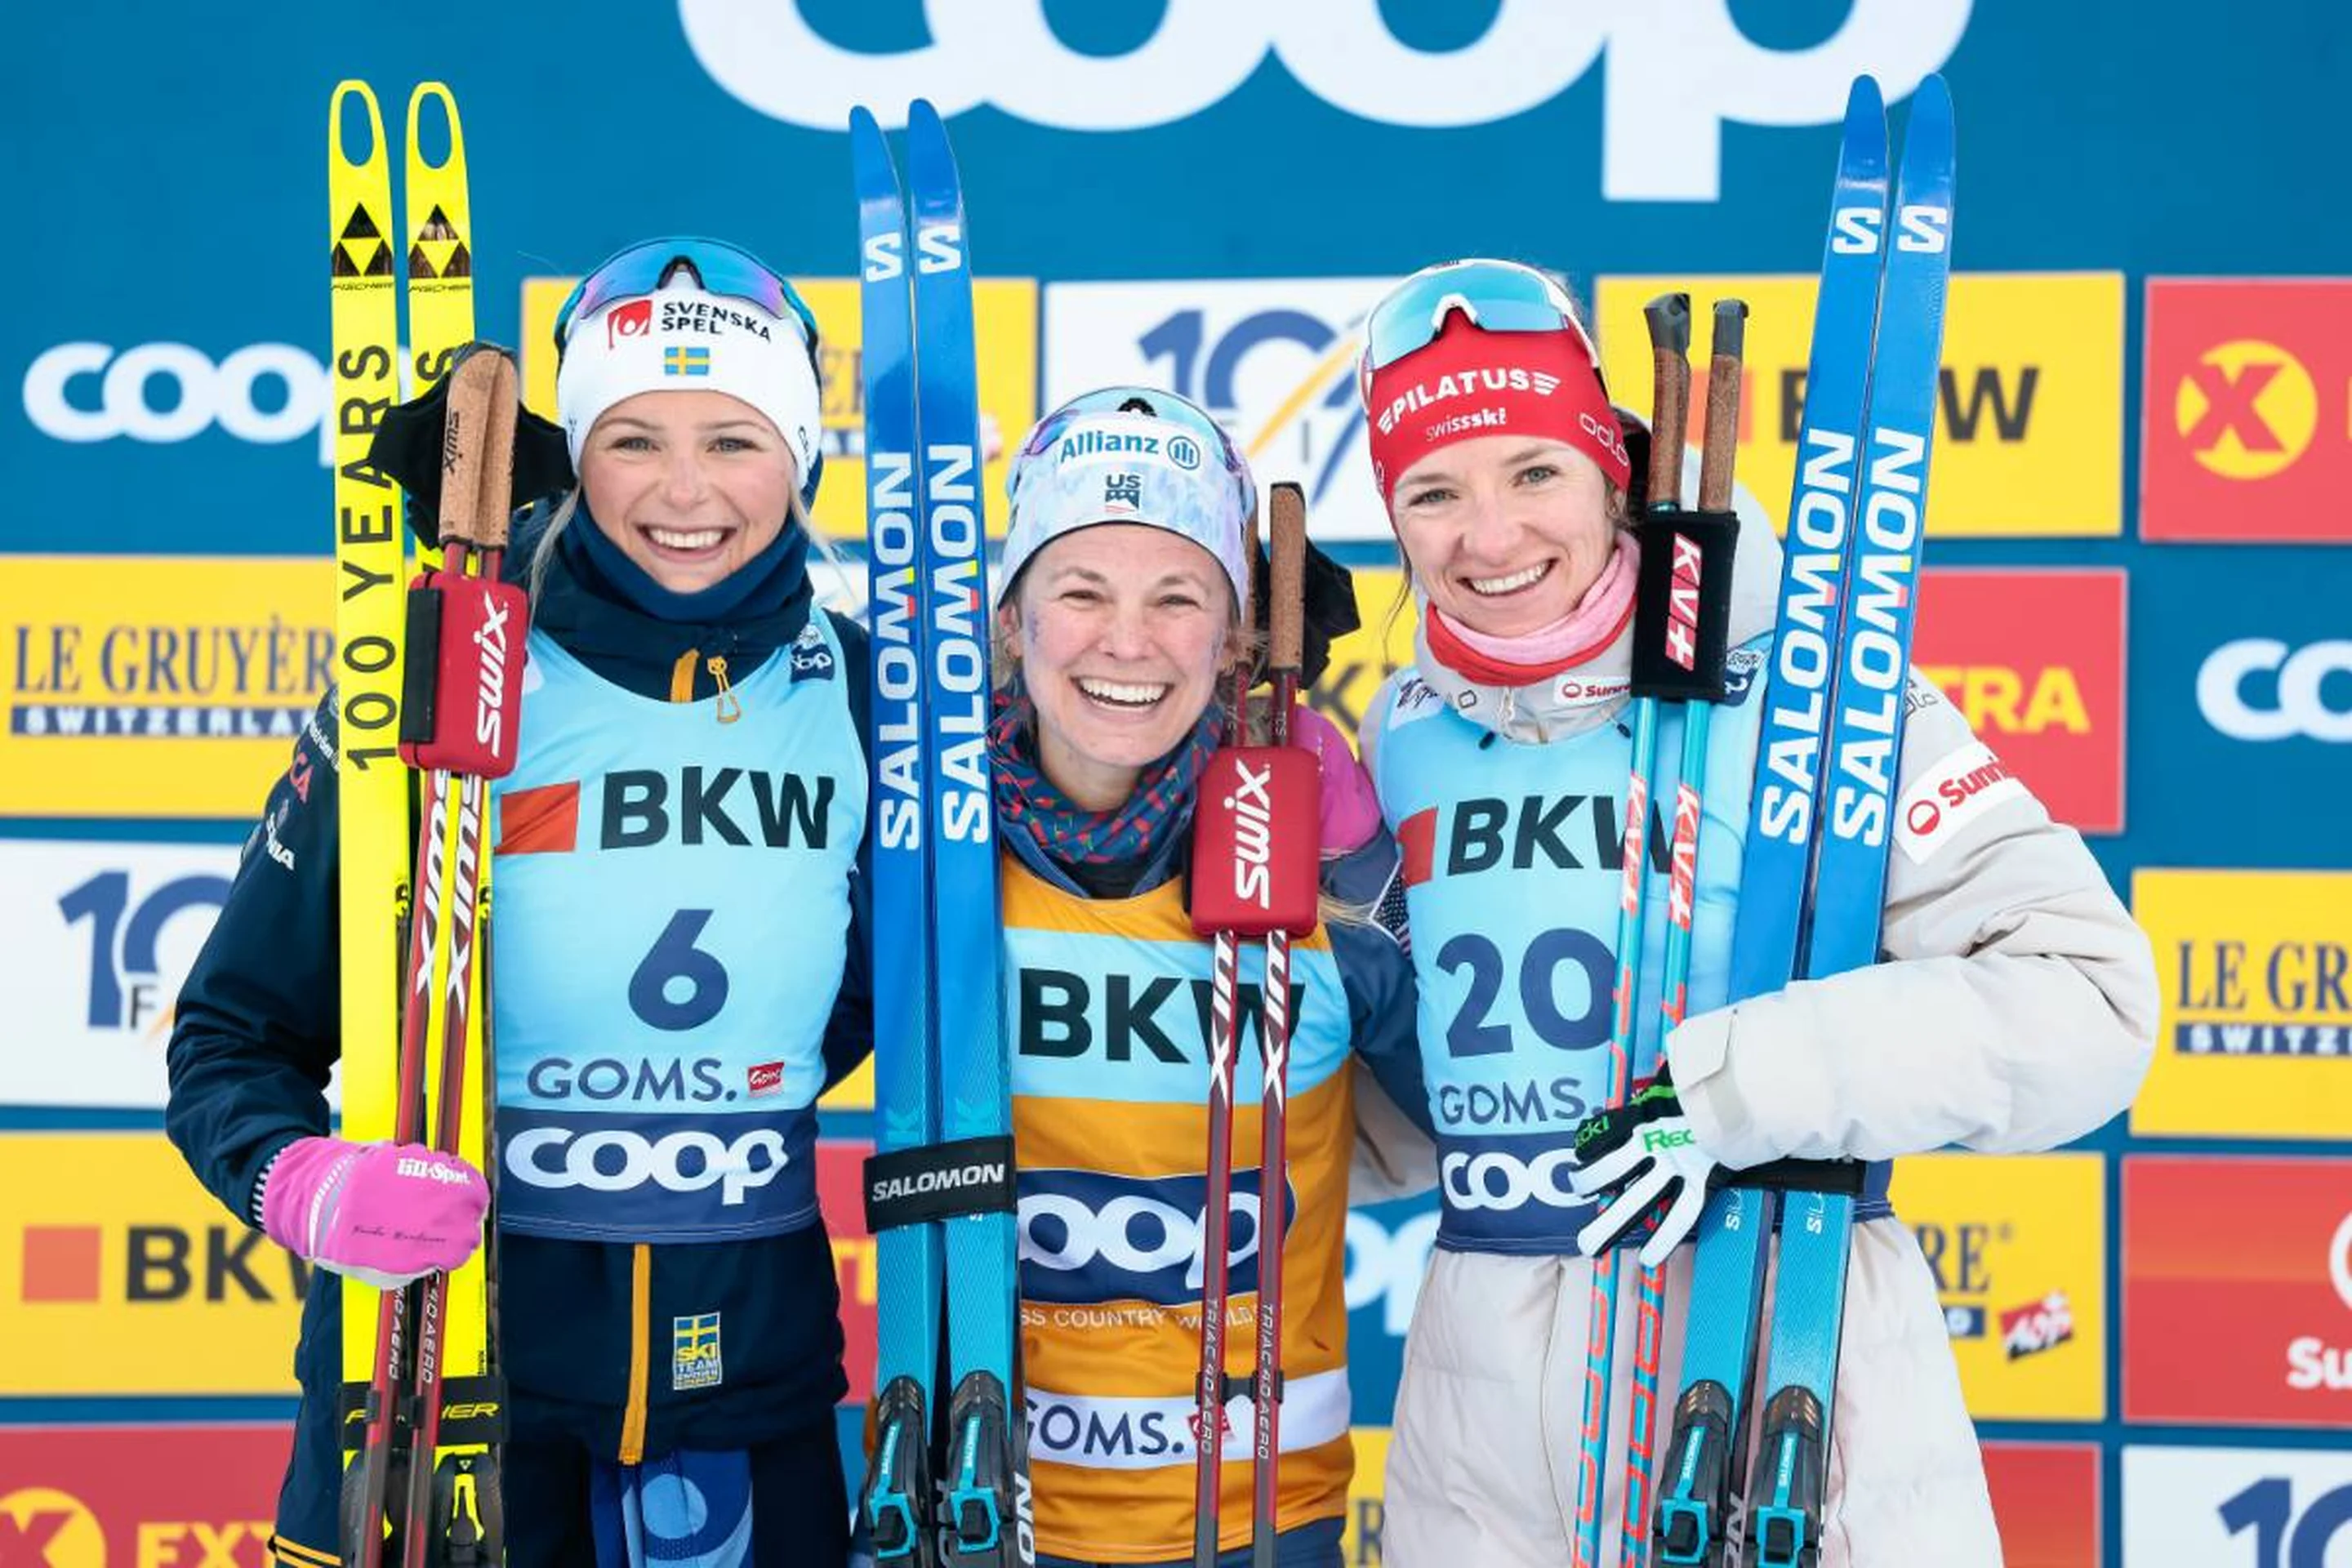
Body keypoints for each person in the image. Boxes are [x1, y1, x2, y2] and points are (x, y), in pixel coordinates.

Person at [1348, 260, 2158, 1567]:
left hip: (1781, 1392)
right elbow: (1405, 1114)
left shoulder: (1814, 692)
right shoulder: (1406, 736)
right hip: (1477, 1453)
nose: (1487, 539)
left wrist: (1739, 1086)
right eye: (1433, 494)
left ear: (1615, 472)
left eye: (1534, 475)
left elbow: (2090, 1003)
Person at [167, 238, 871, 1566]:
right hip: (436, 1398)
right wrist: (299, 1181)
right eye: (630, 438)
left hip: (748, 1399)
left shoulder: (874, 704)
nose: (683, 491)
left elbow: (899, 982)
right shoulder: (429, 685)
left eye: (733, 439)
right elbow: (227, 1036)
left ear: (802, 455)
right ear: (569, 453)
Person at [984, 388, 1428, 1567]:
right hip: (984, 1508)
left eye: (1178, 598)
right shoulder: (935, 841)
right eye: (1079, 591)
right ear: (1014, 620)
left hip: (1258, 1528)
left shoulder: (1327, 843)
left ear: (1237, 636)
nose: (1126, 642)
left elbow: (1484, 1115)